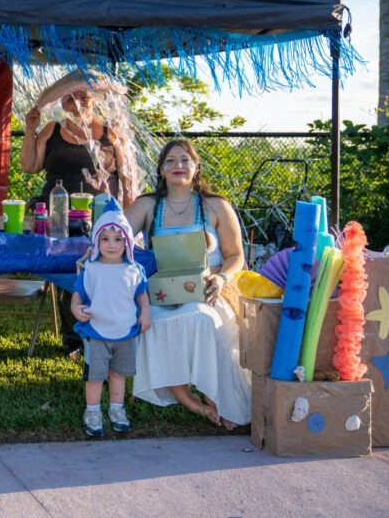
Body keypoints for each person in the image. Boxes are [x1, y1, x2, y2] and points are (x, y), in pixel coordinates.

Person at [123, 139, 251, 429]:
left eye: (185, 160)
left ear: (196, 167)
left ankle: (215, 395)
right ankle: (189, 400)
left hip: (208, 289)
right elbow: (114, 234)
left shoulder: (216, 206)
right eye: (170, 161)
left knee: (200, 318)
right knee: (152, 321)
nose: (178, 165)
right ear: (161, 169)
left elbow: (236, 256)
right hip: (162, 291)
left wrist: (221, 278)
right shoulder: (148, 205)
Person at [21, 87, 131, 356]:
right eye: (70, 97)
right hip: (55, 217)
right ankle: (75, 339)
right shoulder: (52, 130)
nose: (77, 102)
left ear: (94, 100)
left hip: (100, 219)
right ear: (62, 103)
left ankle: (102, 330)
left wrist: (128, 220)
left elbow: (128, 180)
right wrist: (30, 130)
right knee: (68, 268)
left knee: (97, 270)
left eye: (83, 96)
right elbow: (29, 166)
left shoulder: (110, 133)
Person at [71, 198, 151, 437]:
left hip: (125, 331)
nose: (112, 245)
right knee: (95, 376)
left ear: (127, 242)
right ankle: (92, 411)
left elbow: (141, 294)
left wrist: (145, 312)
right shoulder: (91, 269)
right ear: (96, 241)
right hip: (96, 331)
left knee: (118, 373)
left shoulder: (134, 270)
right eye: (105, 239)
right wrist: (75, 308)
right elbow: (78, 293)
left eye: (118, 239)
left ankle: (117, 409)